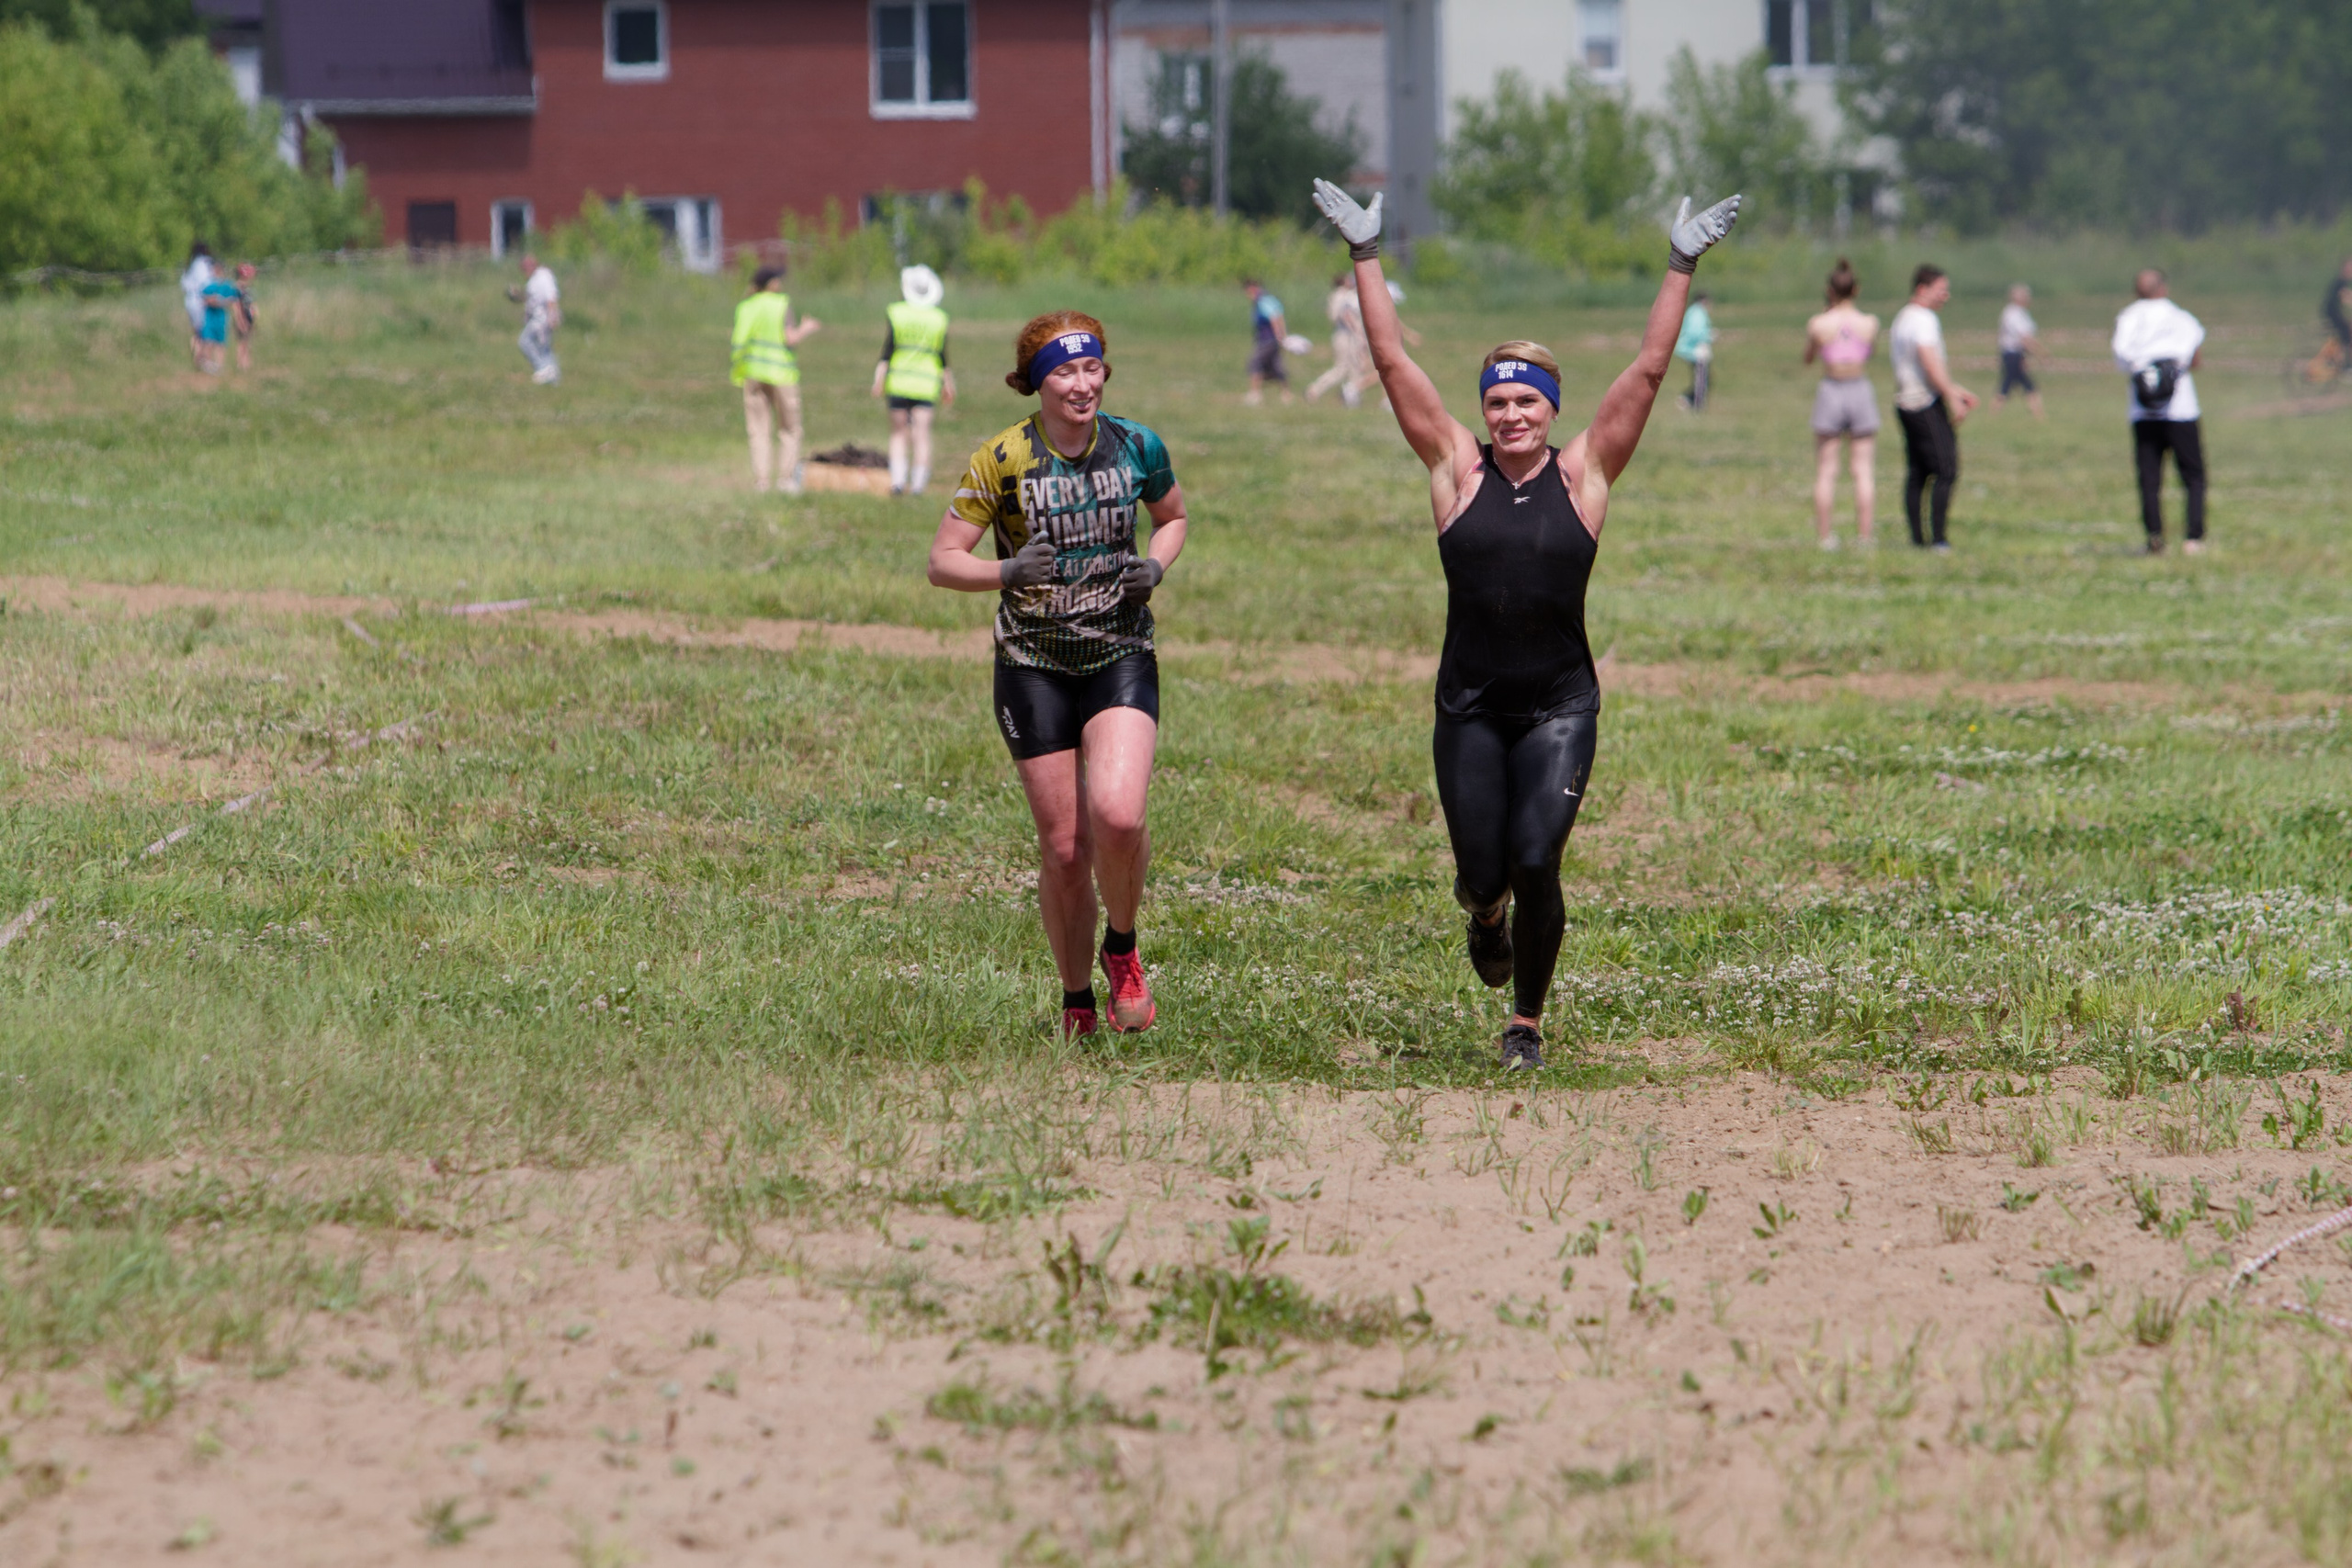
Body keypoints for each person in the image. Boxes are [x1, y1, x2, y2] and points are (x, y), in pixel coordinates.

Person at [1312, 175, 1741, 1070]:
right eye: (1498, 402)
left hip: (1559, 706)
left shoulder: (1584, 476)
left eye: (1527, 402)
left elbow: (1648, 371)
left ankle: (1526, 1023)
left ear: (1552, 409)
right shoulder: (1454, 471)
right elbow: (1391, 364)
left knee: (1536, 857)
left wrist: (1680, 261)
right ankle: (1485, 915)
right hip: (1469, 706)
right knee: (1483, 873)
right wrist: (1365, 253)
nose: (1511, 415)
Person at [925, 312, 1190, 1041]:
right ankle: (1077, 999)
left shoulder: (1137, 445)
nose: (1082, 384)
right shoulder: (1002, 458)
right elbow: (942, 561)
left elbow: (1173, 517)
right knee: (1067, 851)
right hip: (1032, 666)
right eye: (1065, 372)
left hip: (1119, 654)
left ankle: (1122, 947)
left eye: (1092, 368)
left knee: (1120, 815)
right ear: (1036, 382)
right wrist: (1007, 571)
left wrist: (1156, 565)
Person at [2112, 268, 2208, 556]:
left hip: (2142, 411)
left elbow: (2122, 359)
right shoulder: (2181, 318)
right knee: (2193, 475)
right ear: (2163, 288)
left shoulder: (2128, 318)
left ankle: (2155, 539)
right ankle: (2194, 538)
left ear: (2136, 291)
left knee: (2150, 478)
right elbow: (2195, 359)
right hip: (2181, 408)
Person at [1888, 264, 1977, 551]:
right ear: (1922, 289)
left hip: (1905, 401)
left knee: (1919, 472)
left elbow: (1918, 366)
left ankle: (1918, 540)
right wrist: (1950, 397)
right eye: (1941, 290)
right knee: (1946, 469)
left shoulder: (1904, 317)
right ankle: (1938, 539)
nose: (1946, 296)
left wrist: (1955, 389)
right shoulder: (1924, 319)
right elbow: (1928, 361)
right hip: (1924, 403)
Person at [1803, 258, 1881, 549]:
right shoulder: (1869, 323)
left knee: (1827, 470)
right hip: (1859, 387)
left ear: (1829, 291)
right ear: (1856, 289)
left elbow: (1808, 358)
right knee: (1863, 470)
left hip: (1832, 388)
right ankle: (1864, 536)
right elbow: (1870, 352)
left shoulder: (1818, 323)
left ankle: (1825, 536)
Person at [732, 264, 820, 494]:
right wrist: (807, 328)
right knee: (790, 429)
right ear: (771, 284)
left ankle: (761, 482)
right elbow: (790, 338)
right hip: (781, 374)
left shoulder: (746, 306)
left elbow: (739, 341)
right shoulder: (781, 304)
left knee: (758, 430)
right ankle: (785, 480)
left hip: (753, 373)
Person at [872, 265, 954, 495]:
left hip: (899, 381)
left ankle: (898, 482)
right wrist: (948, 384)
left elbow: (888, 350)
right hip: (926, 384)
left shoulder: (897, 313)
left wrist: (878, 379)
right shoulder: (939, 318)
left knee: (898, 434)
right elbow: (942, 356)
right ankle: (918, 485)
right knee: (922, 435)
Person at [1306, 273, 1370, 407]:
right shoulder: (1342, 295)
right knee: (1343, 368)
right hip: (1346, 335)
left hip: (1344, 334)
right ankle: (1314, 390)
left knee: (1354, 367)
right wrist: (1357, 332)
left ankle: (1352, 396)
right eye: (1348, 279)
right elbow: (1345, 314)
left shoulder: (1339, 295)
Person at [1996, 283, 2044, 417]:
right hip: (2011, 354)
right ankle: (2039, 415)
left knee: (2013, 385)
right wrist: (2040, 352)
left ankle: (2038, 415)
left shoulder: (2021, 313)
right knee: (2020, 385)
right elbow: (2024, 337)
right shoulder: (2012, 314)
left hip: (2017, 354)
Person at [514, 254, 561, 385]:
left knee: (524, 341)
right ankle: (553, 377)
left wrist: (552, 316)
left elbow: (551, 297)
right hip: (538, 318)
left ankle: (542, 368)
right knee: (544, 347)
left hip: (542, 319)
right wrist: (518, 296)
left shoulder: (543, 276)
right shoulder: (533, 280)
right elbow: (532, 300)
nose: (524, 271)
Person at [1243, 279, 1291, 405]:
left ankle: (1255, 394)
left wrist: (1279, 336)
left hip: (1267, 339)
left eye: (1248, 292)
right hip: (1272, 339)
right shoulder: (1270, 299)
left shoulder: (1262, 302)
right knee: (1276, 365)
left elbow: (1274, 318)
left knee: (1254, 363)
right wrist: (1283, 335)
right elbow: (1280, 316)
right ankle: (1286, 394)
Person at [1674, 291, 1714, 411]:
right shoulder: (1697, 313)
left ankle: (1690, 400)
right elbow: (1695, 332)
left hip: (1691, 350)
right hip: (1696, 350)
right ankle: (1695, 404)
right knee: (1702, 380)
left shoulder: (1693, 311)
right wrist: (1709, 336)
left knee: (1702, 378)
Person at [197, 269, 242, 376]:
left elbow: (233, 298)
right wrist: (218, 301)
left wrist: (218, 301)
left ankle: (219, 366)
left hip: (221, 318)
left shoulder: (227, 286)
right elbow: (206, 300)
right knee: (208, 341)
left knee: (220, 342)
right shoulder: (209, 285)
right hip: (210, 318)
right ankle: (207, 365)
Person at [179, 242, 215, 371]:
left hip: (190, 301)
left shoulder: (190, 264)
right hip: (200, 301)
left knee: (196, 332)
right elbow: (205, 283)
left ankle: (198, 360)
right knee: (205, 332)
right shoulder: (203, 264)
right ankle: (203, 360)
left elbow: (184, 284)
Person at [2322, 256, 2352, 369]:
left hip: (2333, 312)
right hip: (2332, 312)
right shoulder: (2340, 282)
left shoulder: (2341, 281)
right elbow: (2344, 296)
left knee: (2346, 334)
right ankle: (2346, 363)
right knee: (2348, 334)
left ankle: (2342, 360)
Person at [231, 263, 258, 373]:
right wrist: (240, 320)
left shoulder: (247, 288)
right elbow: (236, 305)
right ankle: (241, 364)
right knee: (242, 342)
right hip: (242, 316)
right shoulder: (238, 288)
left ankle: (247, 363)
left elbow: (250, 303)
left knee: (247, 341)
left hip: (249, 316)